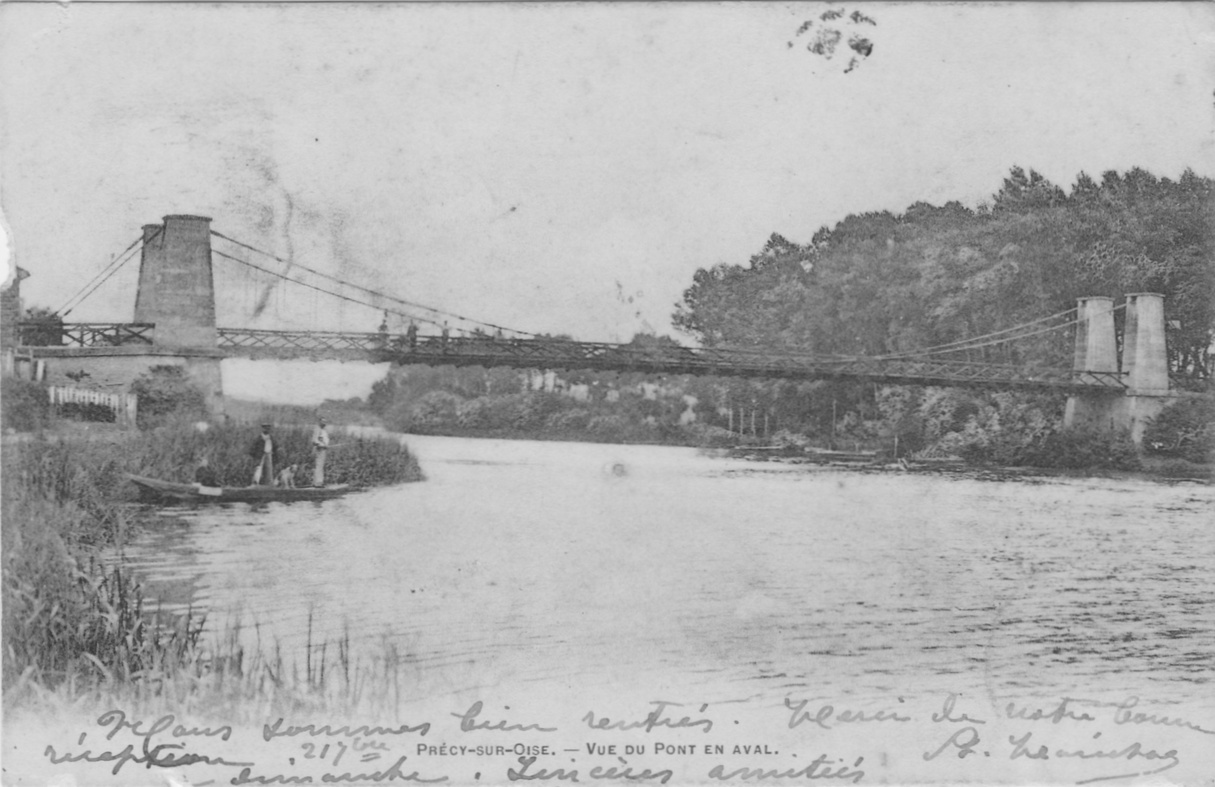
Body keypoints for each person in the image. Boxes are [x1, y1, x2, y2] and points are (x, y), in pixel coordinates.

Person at [312, 415, 330, 487]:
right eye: (322, 421)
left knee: (321, 465)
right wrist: (322, 445)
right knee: (319, 465)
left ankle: (320, 481)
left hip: (323, 449)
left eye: (325, 422)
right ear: (319, 422)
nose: (324, 423)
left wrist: (326, 445)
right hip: (319, 449)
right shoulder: (317, 429)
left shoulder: (323, 430)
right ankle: (317, 483)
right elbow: (314, 440)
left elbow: (324, 439)